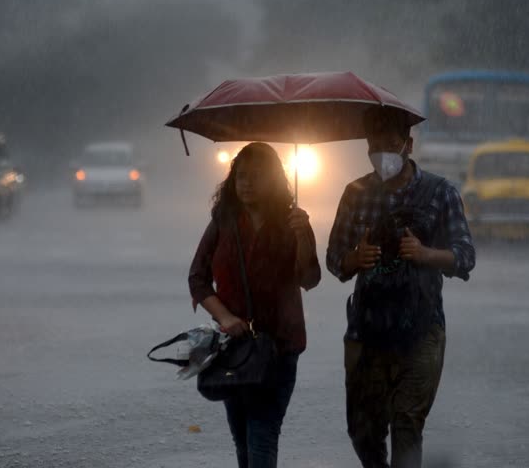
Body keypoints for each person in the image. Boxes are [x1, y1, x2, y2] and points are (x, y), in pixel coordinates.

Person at [327, 113, 476, 468]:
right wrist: (354, 259)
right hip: (368, 330)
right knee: (362, 430)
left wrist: (426, 254)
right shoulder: (355, 194)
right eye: (373, 146)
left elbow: (465, 256)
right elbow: (334, 259)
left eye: (389, 145)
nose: (381, 154)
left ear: (408, 145)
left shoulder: (440, 193)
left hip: (421, 330)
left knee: (406, 422)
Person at [189, 142, 321, 468]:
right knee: (243, 441)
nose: (246, 184)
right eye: (241, 177)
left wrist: (303, 237)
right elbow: (197, 278)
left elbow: (309, 278)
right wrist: (225, 316)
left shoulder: (292, 223)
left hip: (279, 348)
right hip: (235, 349)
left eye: (256, 177)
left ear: (273, 180)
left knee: (262, 434)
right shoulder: (224, 221)